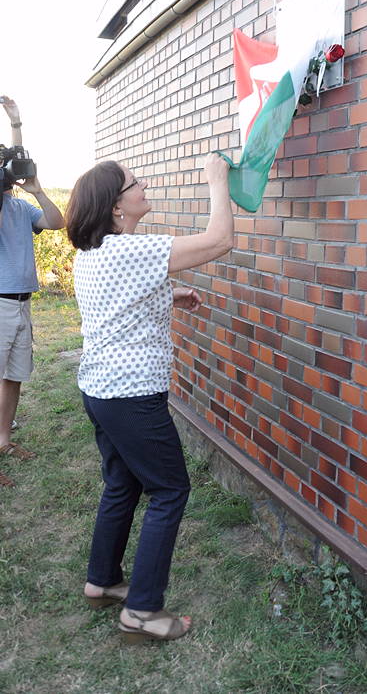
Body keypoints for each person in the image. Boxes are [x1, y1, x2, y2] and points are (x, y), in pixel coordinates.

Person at [65, 153, 233, 643]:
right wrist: (217, 181)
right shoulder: (129, 252)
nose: (144, 187)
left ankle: (103, 580)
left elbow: (119, 300)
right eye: (135, 184)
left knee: (122, 484)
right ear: (117, 207)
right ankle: (141, 613)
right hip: (132, 396)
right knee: (170, 490)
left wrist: (169, 295)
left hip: (100, 390)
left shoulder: (98, 252)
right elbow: (218, 241)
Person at [0, 96, 64, 487]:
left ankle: (4, 441)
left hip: (22, 304)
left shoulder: (23, 210)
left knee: (13, 377)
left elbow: (58, 222)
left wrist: (37, 190)